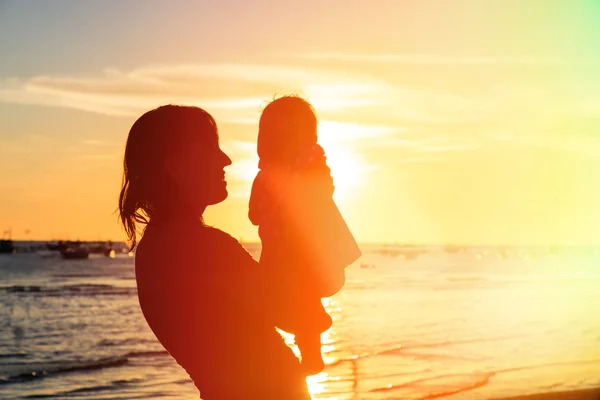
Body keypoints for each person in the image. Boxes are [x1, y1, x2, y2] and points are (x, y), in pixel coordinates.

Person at [119, 105, 311, 399]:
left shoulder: (154, 249)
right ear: (176, 166)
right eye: (210, 149)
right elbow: (294, 313)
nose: (226, 160)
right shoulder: (201, 247)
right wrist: (292, 218)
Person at [249, 96, 362, 375]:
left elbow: (323, 191)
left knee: (301, 300)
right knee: (286, 302)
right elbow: (255, 215)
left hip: (306, 254)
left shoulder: (312, 167)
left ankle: (309, 354)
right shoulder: (266, 176)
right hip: (285, 254)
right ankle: (299, 353)